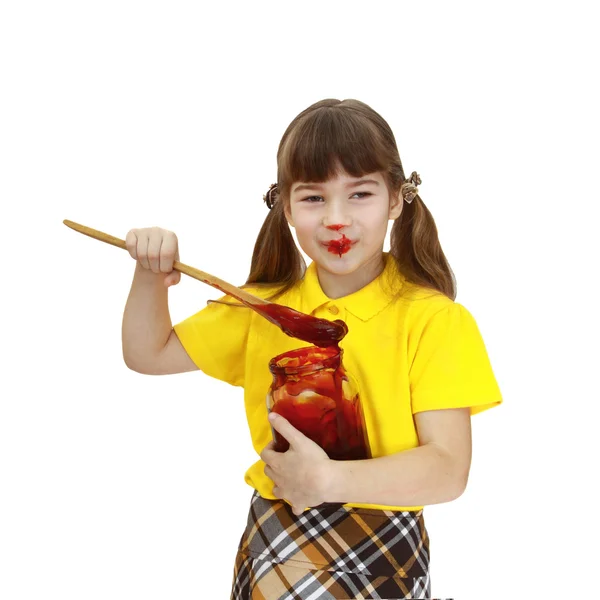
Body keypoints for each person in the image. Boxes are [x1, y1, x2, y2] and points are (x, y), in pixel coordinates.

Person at [121, 98, 503, 600]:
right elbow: (148, 354)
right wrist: (149, 277)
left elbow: (448, 472)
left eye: (360, 194)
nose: (336, 219)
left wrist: (326, 481)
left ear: (395, 199)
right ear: (286, 207)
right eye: (314, 199)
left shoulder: (434, 321)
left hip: (384, 551)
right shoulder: (260, 308)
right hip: (275, 549)